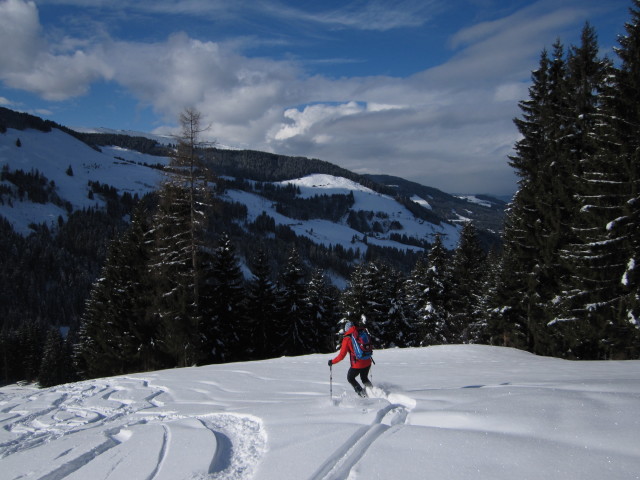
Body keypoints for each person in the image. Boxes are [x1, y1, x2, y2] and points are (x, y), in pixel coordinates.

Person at [328, 321, 372, 397]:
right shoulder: (361, 332)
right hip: (368, 360)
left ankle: (363, 395)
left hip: (358, 363)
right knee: (364, 378)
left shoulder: (347, 338)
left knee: (350, 378)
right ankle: (373, 391)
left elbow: (341, 355)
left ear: (346, 329)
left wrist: (332, 362)